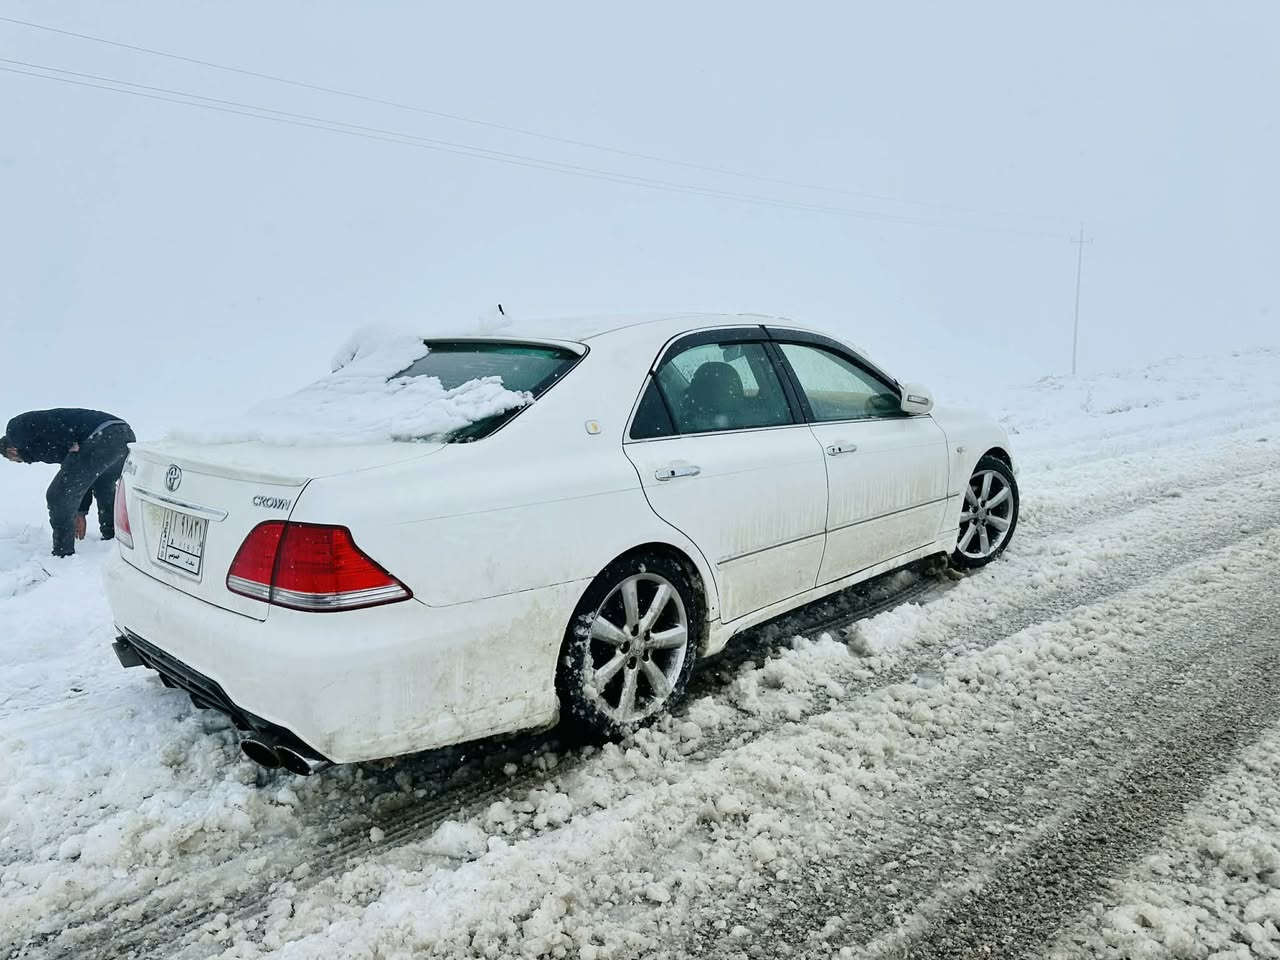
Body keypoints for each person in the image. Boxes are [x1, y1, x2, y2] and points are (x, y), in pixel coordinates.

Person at [1, 409, 136, 557]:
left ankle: (62, 553)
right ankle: (113, 539)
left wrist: (69, 441)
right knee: (103, 486)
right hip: (123, 436)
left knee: (56, 496)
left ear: (11, 451)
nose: (17, 461)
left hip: (101, 435)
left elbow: (46, 421)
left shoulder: (14, 430)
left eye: (12, 459)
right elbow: (81, 480)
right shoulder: (45, 448)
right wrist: (81, 512)